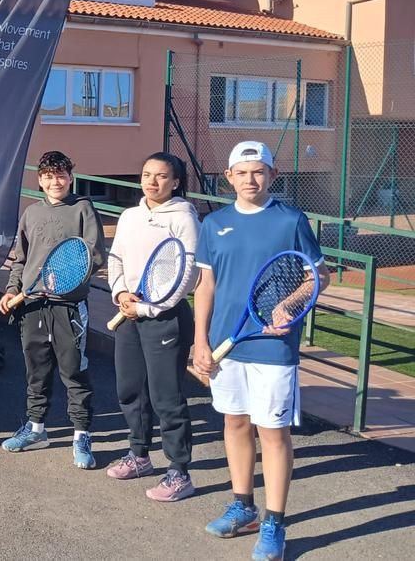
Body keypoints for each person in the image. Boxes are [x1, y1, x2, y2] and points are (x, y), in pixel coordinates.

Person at [192, 141, 327, 561]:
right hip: (226, 345)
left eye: (259, 171)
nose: (251, 179)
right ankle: (243, 506)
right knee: (234, 423)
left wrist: (290, 304)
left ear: (272, 175)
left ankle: (273, 522)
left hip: (273, 344)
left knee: (272, 432)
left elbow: (317, 275)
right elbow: (206, 285)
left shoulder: (290, 220)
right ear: (228, 177)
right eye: (242, 172)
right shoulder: (214, 224)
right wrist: (200, 340)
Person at [0, 150, 106, 468]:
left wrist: (68, 277)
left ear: (70, 177)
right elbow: (21, 259)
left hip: (68, 307)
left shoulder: (83, 208)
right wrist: (12, 290)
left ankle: (82, 435)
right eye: (48, 175)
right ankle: (35, 429)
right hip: (32, 306)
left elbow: (95, 255)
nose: (54, 181)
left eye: (60, 175)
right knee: (36, 371)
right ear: (40, 180)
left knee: (74, 371)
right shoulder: (31, 213)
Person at [106, 152, 199, 501]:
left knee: (167, 397)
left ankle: (179, 472)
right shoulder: (130, 216)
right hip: (129, 313)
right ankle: (139, 455)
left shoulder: (184, 217)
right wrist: (121, 294)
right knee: (130, 389)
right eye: (146, 174)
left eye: (161, 176)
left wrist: (146, 308)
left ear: (175, 182)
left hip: (165, 320)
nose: (152, 181)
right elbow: (115, 258)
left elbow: (185, 274)